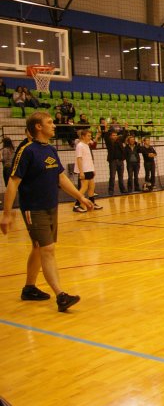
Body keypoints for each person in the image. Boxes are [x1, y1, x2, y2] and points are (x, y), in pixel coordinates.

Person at [1, 111, 93, 312]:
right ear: (38, 127)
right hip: (34, 209)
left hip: (51, 206)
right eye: (50, 122)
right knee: (48, 249)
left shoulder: (50, 149)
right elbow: (13, 183)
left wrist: (80, 197)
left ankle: (29, 289)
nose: (54, 125)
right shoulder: (27, 151)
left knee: (38, 247)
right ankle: (61, 296)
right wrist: (7, 214)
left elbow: (61, 177)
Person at [73, 129, 103, 212]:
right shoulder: (80, 146)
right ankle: (76, 205)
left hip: (89, 169)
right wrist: (81, 172)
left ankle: (92, 203)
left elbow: (89, 158)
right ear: (83, 136)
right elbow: (79, 159)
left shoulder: (87, 145)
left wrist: (93, 169)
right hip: (84, 170)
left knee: (92, 187)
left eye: (90, 136)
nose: (90, 137)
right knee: (84, 187)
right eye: (88, 136)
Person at [105, 130, 127, 195]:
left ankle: (122, 189)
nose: (115, 136)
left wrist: (125, 129)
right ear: (110, 136)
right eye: (113, 135)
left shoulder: (119, 141)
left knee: (121, 177)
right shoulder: (109, 142)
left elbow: (124, 136)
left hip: (120, 161)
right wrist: (106, 129)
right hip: (113, 162)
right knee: (112, 176)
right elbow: (106, 137)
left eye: (116, 135)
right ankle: (111, 190)